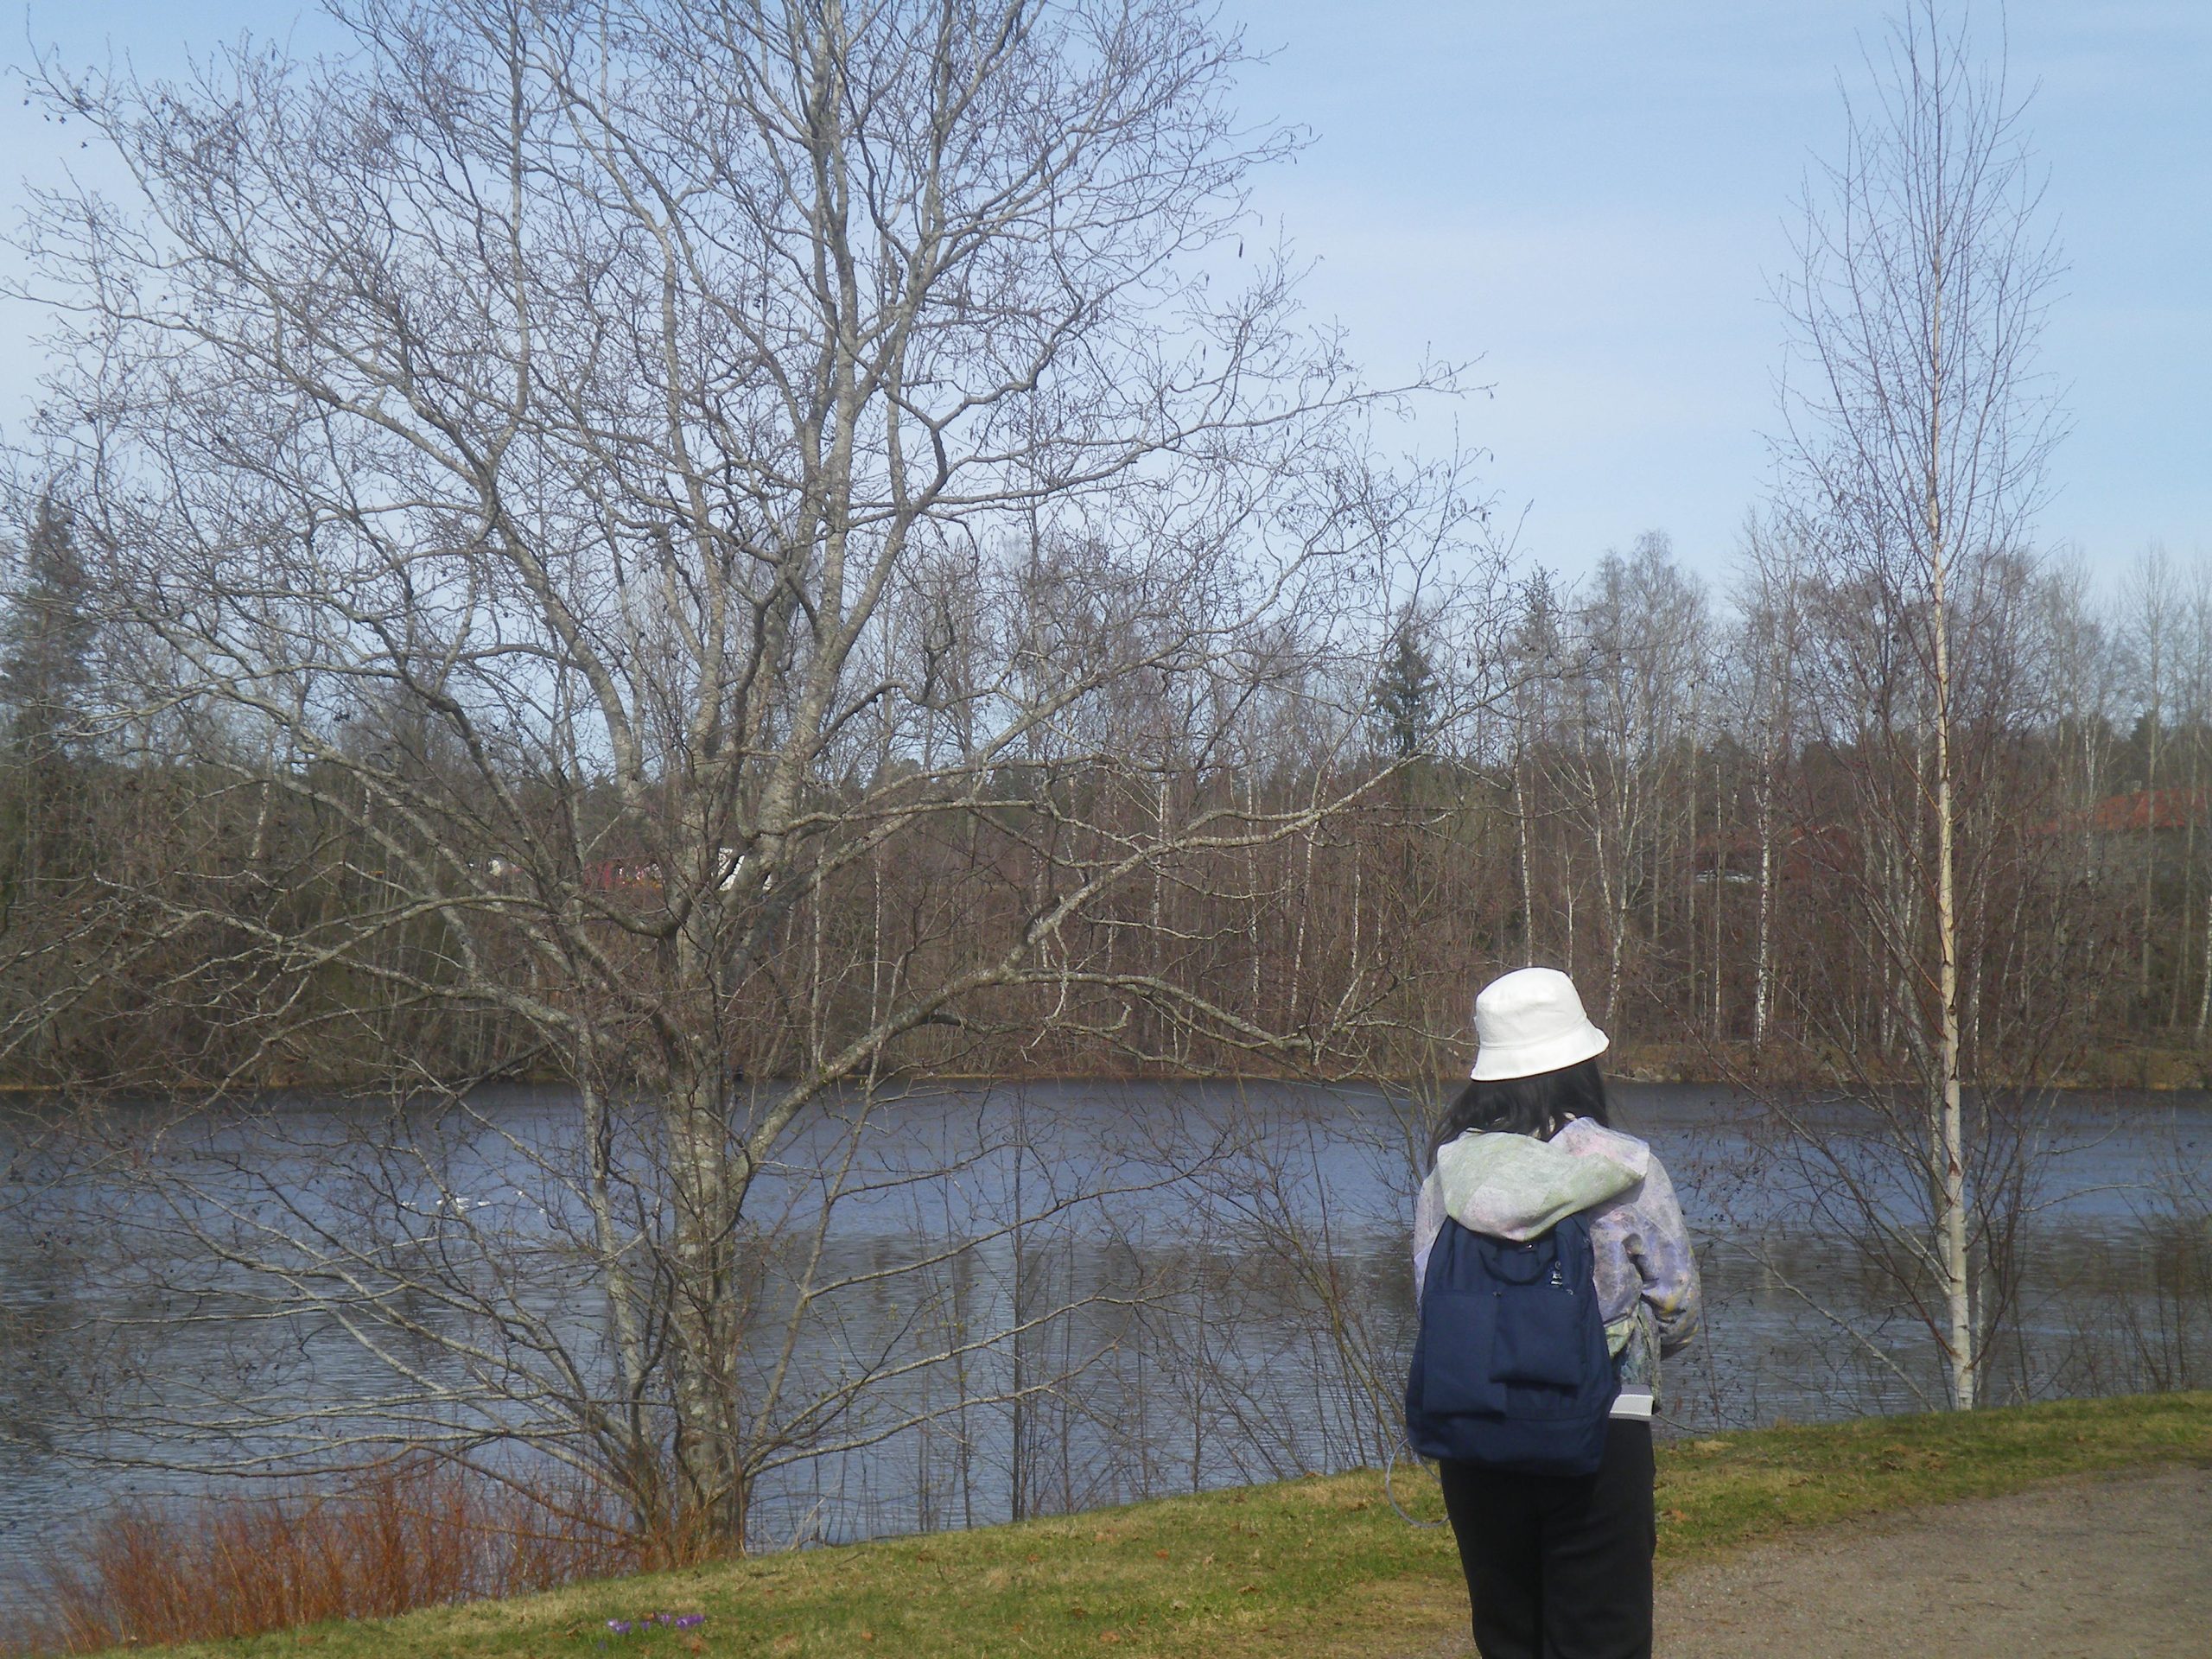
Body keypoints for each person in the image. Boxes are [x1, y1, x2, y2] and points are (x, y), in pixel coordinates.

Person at [1411, 967, 1700, 1659]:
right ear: (1580, 1067)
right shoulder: (1626, 1168)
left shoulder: (1450, 1177)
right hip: (1603, 1429)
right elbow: (1677, 1302)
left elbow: (1430, 1299)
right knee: (1603, 1636)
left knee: (1508, 1636)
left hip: (1478, 1428)